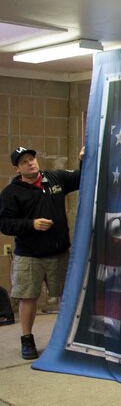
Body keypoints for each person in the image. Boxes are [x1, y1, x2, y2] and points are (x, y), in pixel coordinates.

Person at [0, 146, 82, 360]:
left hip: (59, 253)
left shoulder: (55, 179)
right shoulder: (11, 193)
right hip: (29, 256)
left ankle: (67, 337)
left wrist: (84, 159)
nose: (30, 163)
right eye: (24, 161)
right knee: (28, 298)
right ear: (17, 169)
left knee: (66, 296)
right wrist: (32, 224)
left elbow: (82, 178)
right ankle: (27, 339)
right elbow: (5, 224)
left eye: (32, 159)